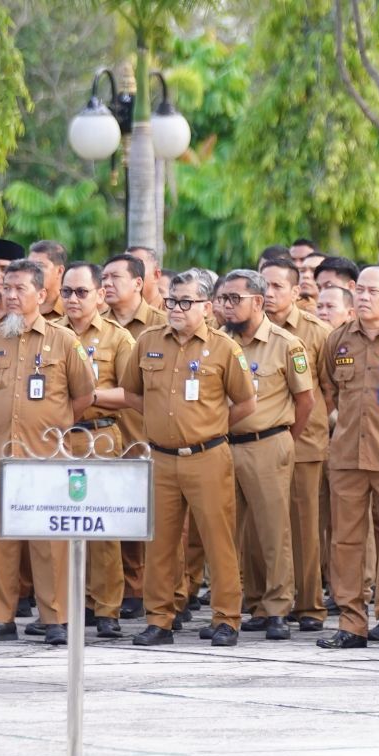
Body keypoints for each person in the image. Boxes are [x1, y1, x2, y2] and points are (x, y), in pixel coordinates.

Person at [120, 271, 256, 646]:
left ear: (207, 307)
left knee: (218, 540)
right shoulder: (148, 342)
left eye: (185, 302)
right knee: (160, 542)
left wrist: (210, 426)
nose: (175, 309)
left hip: (207, 456)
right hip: (161, 458)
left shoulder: (224, 349)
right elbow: (132, 393)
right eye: (171, 301)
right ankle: (160, 619)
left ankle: (226, 618)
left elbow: (246, 403)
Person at [0, 259, 96, 644]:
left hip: (45, 459)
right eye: (6, 287)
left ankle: (55, 619)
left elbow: (84, 394)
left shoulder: (63, 341)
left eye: (20, 288)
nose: (10, 294)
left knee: (50, 543)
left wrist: (51, 424)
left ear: (41, 294)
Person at [318, 265, 379, 651]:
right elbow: (327, 391)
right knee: (346, 543)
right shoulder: (338, 340)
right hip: (347, 458)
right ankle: (351, 623)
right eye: (360, 291)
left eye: (375, 291)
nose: (365, 297)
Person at [221, 269, 315, 640]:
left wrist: (284, 438)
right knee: (232, 533)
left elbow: (305, 400)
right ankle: (249, 602)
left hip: (267, 443)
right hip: (224, 445)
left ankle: (278, 608)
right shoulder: (217, 341)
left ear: (257, 302)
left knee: (274, 530)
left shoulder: (285, 343)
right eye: (223, 299)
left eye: (234, 299)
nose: (226, 306)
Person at [54, 261, 135, 638]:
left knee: (102, 526)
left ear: (100, 295)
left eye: (81, 292)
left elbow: (133, 393)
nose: (72, 299)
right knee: (59, 525)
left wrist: (89, 395)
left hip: (99, 437)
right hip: (58, 438)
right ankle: (70, 605)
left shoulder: (118, 339)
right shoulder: (50, 334)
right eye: (66, 292)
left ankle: (107, 609)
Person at [259, 258, 332, 632]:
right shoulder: (243, 329)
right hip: (258, 445)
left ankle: (309, 605)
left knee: (303, 528)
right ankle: (263, 603)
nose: (269, 294)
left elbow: (327, 390)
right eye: (264, 286)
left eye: (276, 287)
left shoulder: (315, 332)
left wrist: (297, 432)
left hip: (303, 443)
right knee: (262, 527)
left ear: (295, 291)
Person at [101, 253, 167, 619]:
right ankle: (127, 589)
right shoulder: (94, 326)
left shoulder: (160, 325)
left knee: (160, 523)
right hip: (108, 439)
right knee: (113, 517)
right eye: (104, 278)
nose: (106, 284)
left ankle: (168, 593)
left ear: (139, 283)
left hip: (149, 436)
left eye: (115, 277)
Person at [28, 240, 68, 321]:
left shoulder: (71, 309)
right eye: (29, 266)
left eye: (40, 266)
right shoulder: (20, 308)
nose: (32, 271)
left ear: (60, 271)